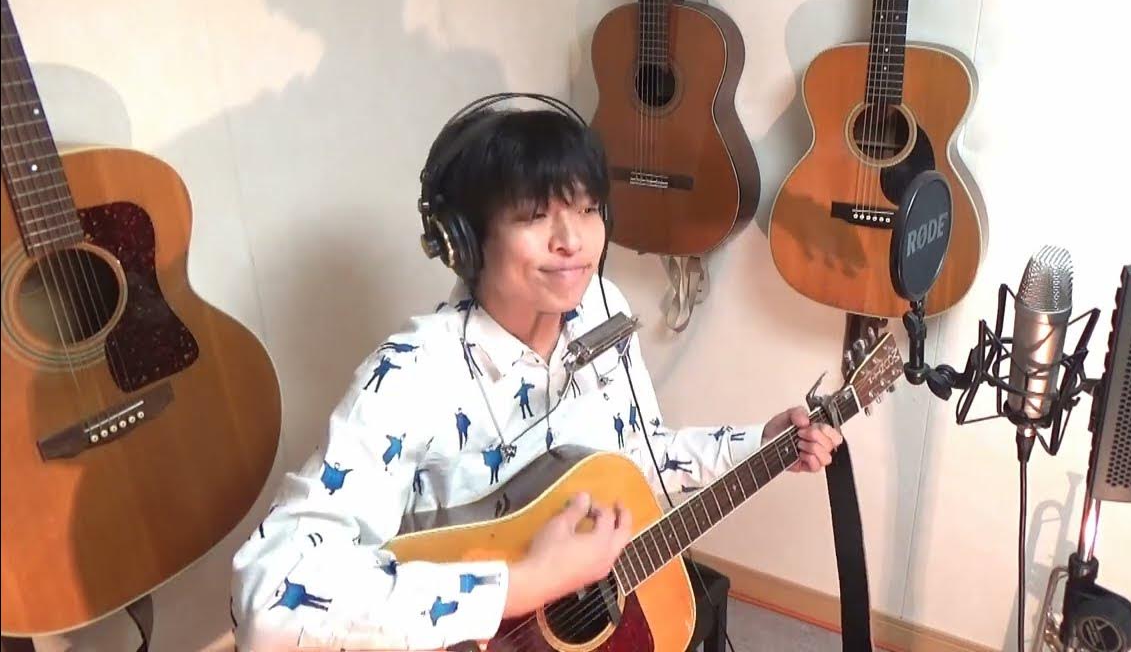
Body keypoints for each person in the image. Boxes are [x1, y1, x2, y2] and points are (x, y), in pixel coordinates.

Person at [230, 95, 845, 651]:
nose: (572, 241)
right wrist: (524, 583)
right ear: (463, 241)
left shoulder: (603, 310)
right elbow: (267, 596)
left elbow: (638, 463)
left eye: (588, 209)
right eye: (534, 216)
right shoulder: (412, 375)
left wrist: (759, 444)